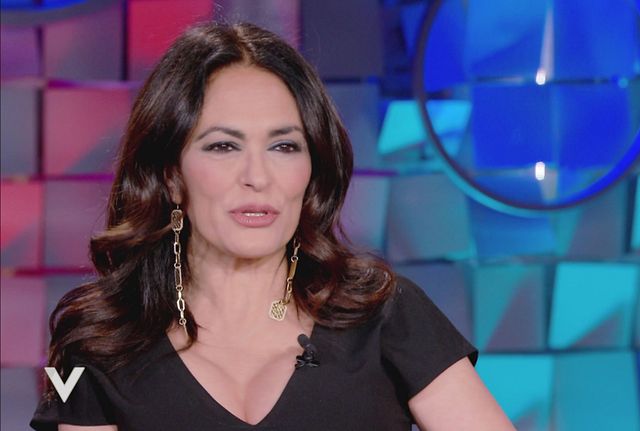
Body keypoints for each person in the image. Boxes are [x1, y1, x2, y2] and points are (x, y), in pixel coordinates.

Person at [30, 22, 516, 431]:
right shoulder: (95, 342)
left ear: (311, 170)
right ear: (171, 177)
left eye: (284, 147)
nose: (258, 177)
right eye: (223, 146)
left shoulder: (385, 313)